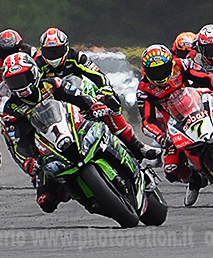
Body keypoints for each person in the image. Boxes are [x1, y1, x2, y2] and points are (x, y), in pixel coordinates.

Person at [0, 51, 115, 213]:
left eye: (23, 78)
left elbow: (78, 96)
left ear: (34, 73)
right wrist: (28, 160)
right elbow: (17, 141)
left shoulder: (52, 84)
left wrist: (93, 105)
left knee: (106, 119)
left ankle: (134, 148)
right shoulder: (11, 108)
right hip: (45, 149)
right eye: (14, 81)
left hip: (72, 128)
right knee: (46, 201)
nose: (20, 85)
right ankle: (74, 192)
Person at [36, 27, 159, 160]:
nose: (53, 55)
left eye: (57, 50)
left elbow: (97, 75)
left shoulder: (76, 56)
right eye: (49, 51)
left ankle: (137, 145)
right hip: (55, 105)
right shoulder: (38, 65)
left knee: (111, 103)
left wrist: (106, 91)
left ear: (65, 47)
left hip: (82, 96)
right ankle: (42, 162)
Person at [136, 44, 213, 207]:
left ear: (170, 64)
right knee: (171, 169)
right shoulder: (144, 89)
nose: (160, 74)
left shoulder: (182, 65)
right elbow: (147, 122)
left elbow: (209, 77)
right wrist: (160, 136)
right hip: (174, 123)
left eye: (162, 69)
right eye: (155, 71)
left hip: (199, 104)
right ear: (146, 71)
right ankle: (196, 180)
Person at [0, 29, 39, 179]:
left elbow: (45, 69)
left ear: (20, 47)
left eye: (13, 51)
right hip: (5, 98)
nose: (9, 56)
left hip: (31, 92)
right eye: (5, 52)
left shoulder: (31, 52)